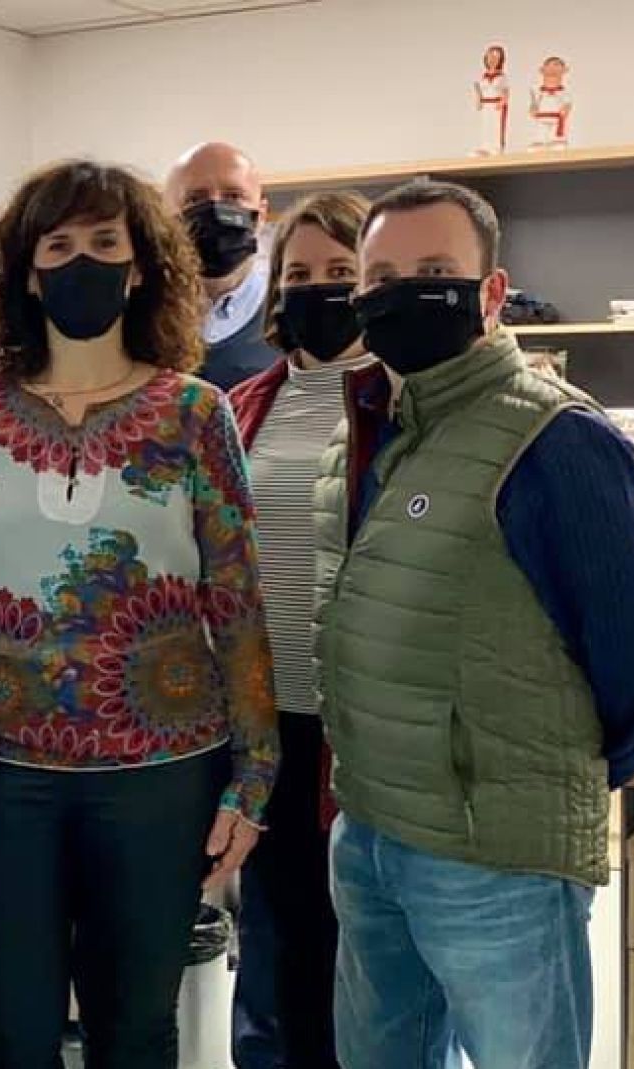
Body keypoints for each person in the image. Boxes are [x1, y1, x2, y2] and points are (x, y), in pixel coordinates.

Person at [320, 180, 634, 1069]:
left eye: (434, 271)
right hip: (372, 830)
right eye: (382, 278)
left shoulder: (559, 441)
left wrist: (533, 783)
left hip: (498, 857)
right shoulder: (375, 427)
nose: (405, 293)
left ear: (491, 292)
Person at [0, 159, 278, 1069]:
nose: (81, 261)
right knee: (9, 1034)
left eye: (104, 242)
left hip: (161, 774)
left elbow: (236, 600)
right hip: (2, 774)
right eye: (58, 245)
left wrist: (253, 775)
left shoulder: (195, 414)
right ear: (26, 271)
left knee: (135, 1032)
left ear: (140, 267)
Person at [225, 190, 376, 1069]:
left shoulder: (401, 403)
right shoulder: (245, 404)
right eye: (300, 272)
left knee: (358, 956)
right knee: (271, 950)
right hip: (262, 721)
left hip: (361, 728)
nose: (319, 289)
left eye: (341, 271)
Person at [166, 142, 280, 392]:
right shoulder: (139, 318)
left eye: (233, 196)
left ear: (261, 215)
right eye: (195, 199)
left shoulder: (288, 317)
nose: (215, 210)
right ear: (168, 218)